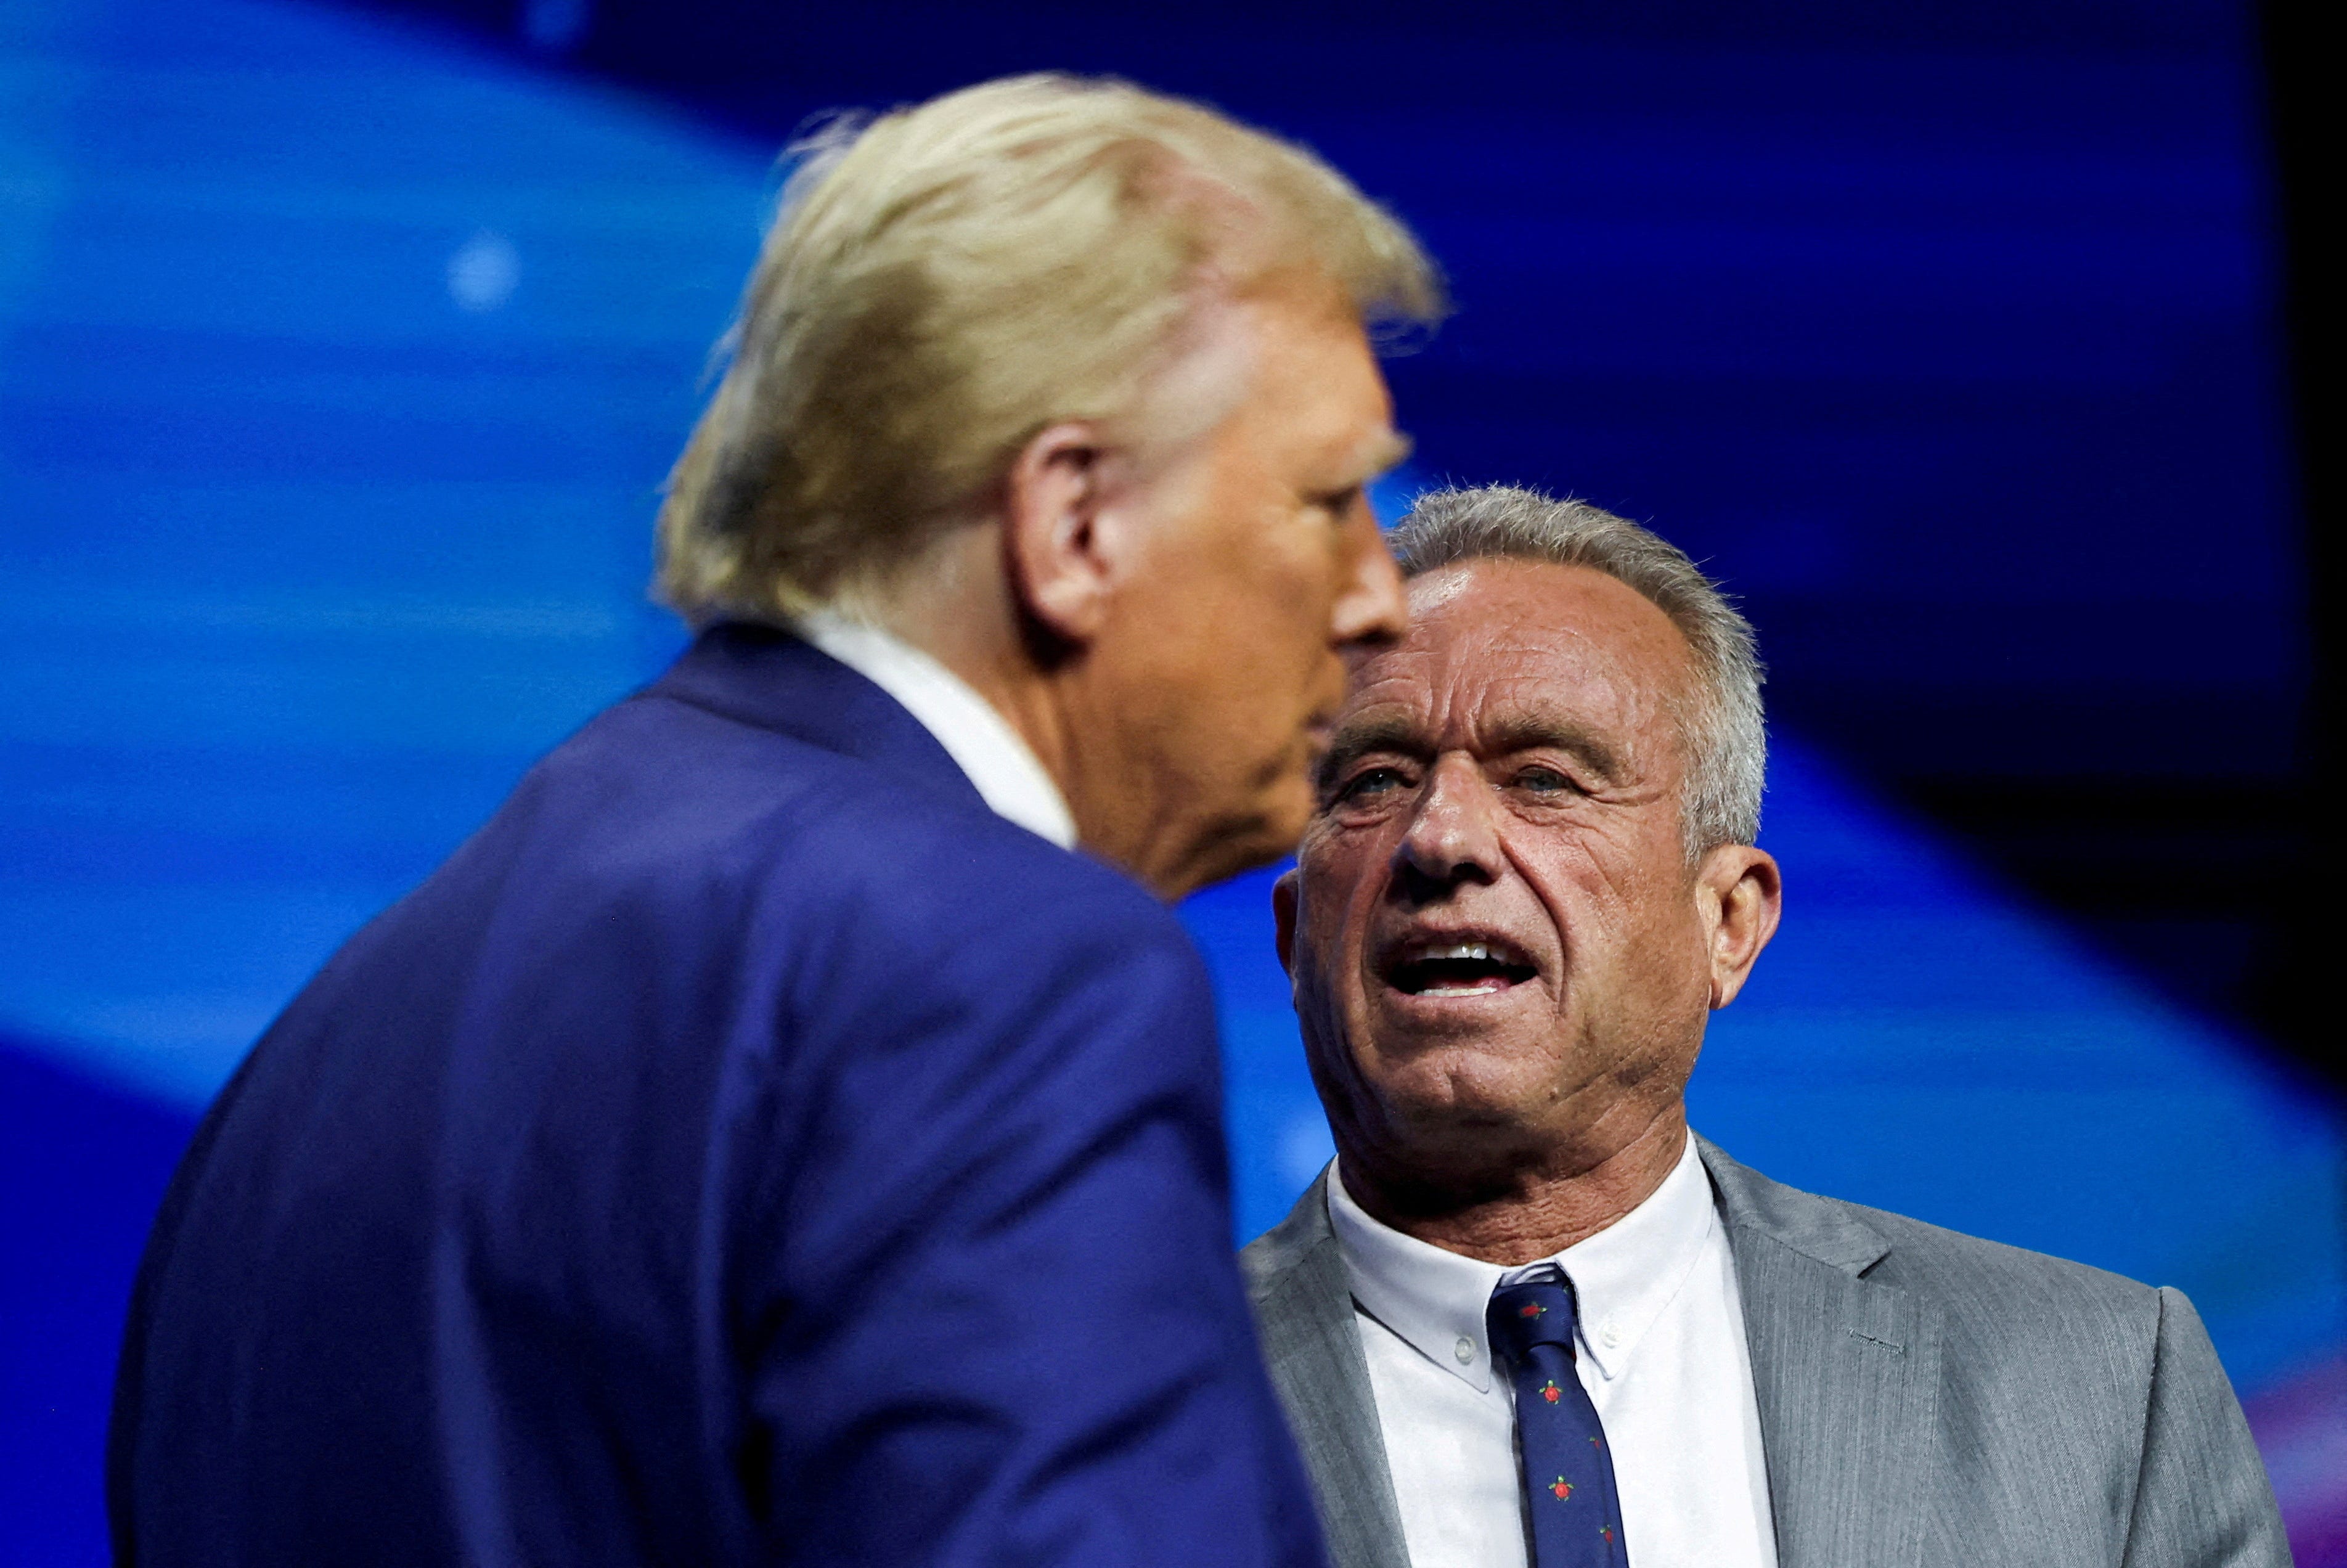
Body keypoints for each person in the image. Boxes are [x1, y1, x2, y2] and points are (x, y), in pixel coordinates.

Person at [110, 75, 1442, 1566]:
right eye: (1332, 499)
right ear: (1074, 524)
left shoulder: (335, 1040)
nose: (1377, 598)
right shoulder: (997, 973)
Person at [1245, 484, 2287, 1568]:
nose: (1441, 836)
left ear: (1728, 923)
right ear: (1293, 936)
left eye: (1545, 779)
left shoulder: (2104, 1388)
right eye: (1374, 779)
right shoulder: (1128, 1391)